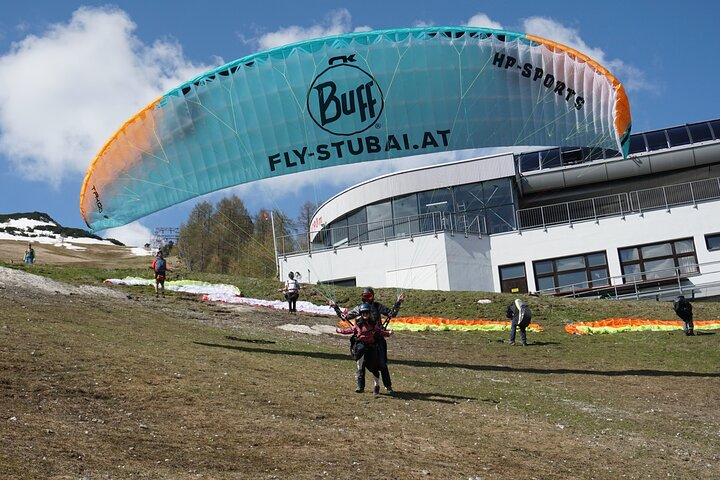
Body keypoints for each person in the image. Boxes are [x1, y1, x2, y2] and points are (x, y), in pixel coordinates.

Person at [331, 287, 405, 394]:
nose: (367, 299)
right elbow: (345, 317)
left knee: (382, 363)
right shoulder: (359, 308)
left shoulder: (377, 306)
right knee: (361, 363)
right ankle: (360, 386)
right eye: (365, 297)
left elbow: (391, 314)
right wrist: (335, 307)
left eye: (369, 296)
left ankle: (388, 387)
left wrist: (398, 303)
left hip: (377, 337)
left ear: (373, 297)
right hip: (363, 340)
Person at [335, 303, 393, 395]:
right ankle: (360, 386)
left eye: (366, 313)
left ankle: (376, 385)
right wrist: (340, 331)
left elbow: (379, 331)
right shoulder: (358, 323)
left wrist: (388, 333)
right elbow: (351, 330)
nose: (365, 315)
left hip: (371, 347)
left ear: (369, 313)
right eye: (363, 313)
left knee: (374, 367)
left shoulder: (374, 323)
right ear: (361, 314)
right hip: (361, 346)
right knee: (360, 366)